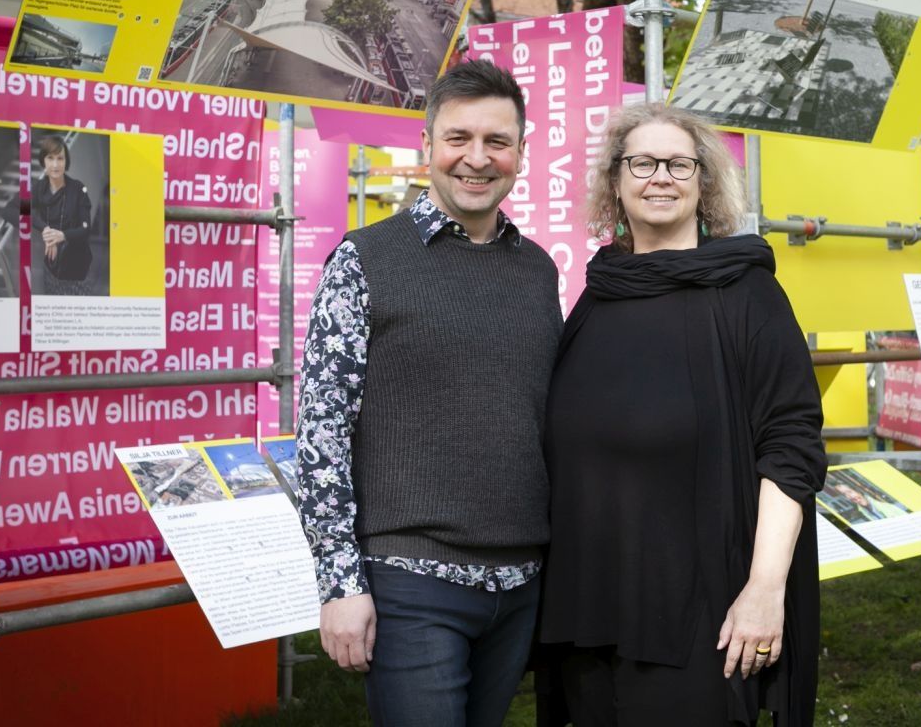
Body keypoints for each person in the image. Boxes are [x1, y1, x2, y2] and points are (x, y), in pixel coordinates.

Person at [539, 103, 827, 726]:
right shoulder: (600, 291)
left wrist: (765, 588)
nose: (660, 178)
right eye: (642, 163)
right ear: (616, 180)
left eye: (679, 164)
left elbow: (791, 447)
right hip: (589, 604)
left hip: (698, 609)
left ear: (704, 182)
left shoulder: (746, 292)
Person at [296, 60, 562, 727]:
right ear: (427, 145)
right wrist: (340, 583)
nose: (477, 158)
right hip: (410, 581)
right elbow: (322, 432)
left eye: (497, 141)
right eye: (458, 138)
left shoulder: (537, 270)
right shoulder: (364, 259)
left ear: (521, 151)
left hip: (520, 582)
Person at [29, 133, 93, 294]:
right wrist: (45, 229)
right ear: (43, 161)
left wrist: (62, 235)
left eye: (60, 158)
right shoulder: (39, 188)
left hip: (77, 268)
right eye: (50, 158)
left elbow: (86, 229)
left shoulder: (78, 189)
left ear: (66, 161)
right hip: (51, 267)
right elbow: (14, 209)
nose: (55, 164)